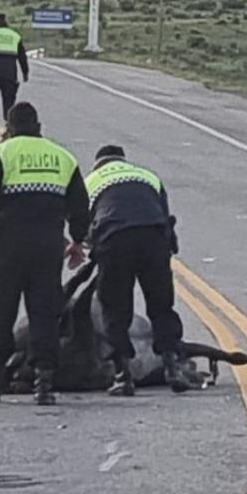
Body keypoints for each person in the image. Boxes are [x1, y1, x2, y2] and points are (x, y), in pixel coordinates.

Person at [0, 102, 90, 405]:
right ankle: (44, 383)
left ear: (9, 127)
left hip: (8, 246)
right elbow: (80, 207)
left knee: (1, 313)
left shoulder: (0, 154)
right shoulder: (63, 157)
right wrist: (75, 241)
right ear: (39, 127)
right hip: (48, 248)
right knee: (45, 315)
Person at [81, 145, 187, 396]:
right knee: (161, 305)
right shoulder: (147, 175)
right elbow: (166, 216)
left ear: (99, 164)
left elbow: (84, 226)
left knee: (115, 308)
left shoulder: (91, 182)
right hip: (153, 237)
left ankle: (122, 375)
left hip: (114, 239)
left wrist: (91, 249)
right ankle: (172, 366)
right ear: (123, 160)